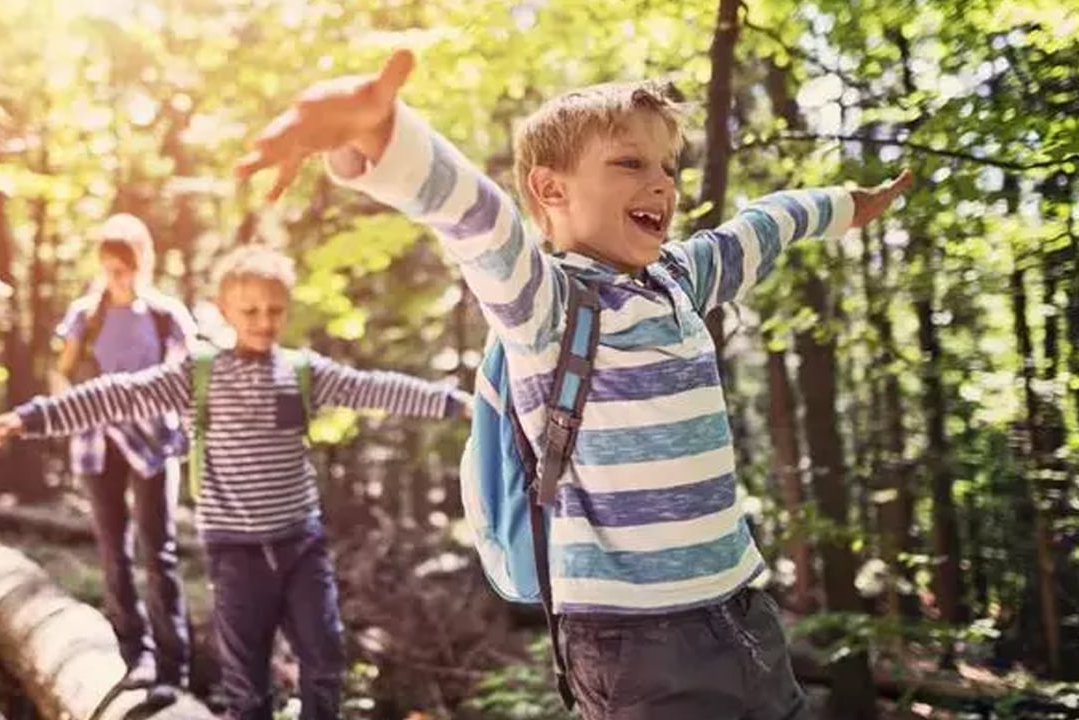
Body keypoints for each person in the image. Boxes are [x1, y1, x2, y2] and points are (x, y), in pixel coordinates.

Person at [233, 49, 912, 719]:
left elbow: (763, 226)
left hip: (741, 609)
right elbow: (479, 220)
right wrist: (385, 136)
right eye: (629, 163)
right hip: (636, 643)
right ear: (550, 190)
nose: (663, 184)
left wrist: (847, 204)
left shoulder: (680, 278)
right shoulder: (546, 306)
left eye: (667, 168)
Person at [0, 243, 472, 720]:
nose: (263, 322)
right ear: (225, 312)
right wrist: (31, 418)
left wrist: (454, 402)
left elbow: (373, 389)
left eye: (274, 310)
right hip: (236, 552)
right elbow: (116, 394)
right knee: (247, 682)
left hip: (301, 546)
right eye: (250, 311)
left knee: (325, 660)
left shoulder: (300, 373)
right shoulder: (197, 375)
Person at [49, 213, 196, 707]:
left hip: (154, 447)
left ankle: (174, 667)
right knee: (115, 550)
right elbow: (62, 374)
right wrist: (74, 409)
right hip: (97, 446)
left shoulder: (166, 316)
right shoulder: (84, 316)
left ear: (142, 263)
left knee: (160, 552)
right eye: (111, 268)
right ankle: (137, 654)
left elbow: (189, 378)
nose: (119, 277)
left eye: (127, 267)